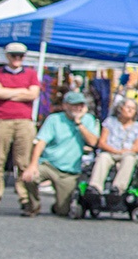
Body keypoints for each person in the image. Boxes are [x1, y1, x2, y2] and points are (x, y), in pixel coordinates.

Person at [22, 90, 99, 218]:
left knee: (63, 210)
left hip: (70, 171)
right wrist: (33, 165)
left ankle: (58, 205)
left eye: (81, 105)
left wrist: (79, 123)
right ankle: (33, 206)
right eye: (74, 105)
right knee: (30, 177)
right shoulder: (54, 119)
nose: (78, 108)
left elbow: (93, 142)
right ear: (65, 106)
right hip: (49, 164)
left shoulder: (88, 120)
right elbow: (41, 142)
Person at [0, 42, 42, 213]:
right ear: (7, 56)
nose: (17, 59)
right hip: (0, 120)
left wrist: (8, 91)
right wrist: (21, 92)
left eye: (20, 56)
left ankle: (25, 198)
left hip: (24, 121)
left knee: (23, 162)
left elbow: (33, 94)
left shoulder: (31, 73)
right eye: (13, 56)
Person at [91, 98, 138, 195]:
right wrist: (115, 151)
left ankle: (118, 188)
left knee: (129, 159)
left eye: (133, 108)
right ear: (120, 108)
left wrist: (125, 151)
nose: (130, 110)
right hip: (110, 151)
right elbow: (102, 142)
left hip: (127, 153)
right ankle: (95, 187)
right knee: (103, 158)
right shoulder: (110, 122)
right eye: (128, 107)